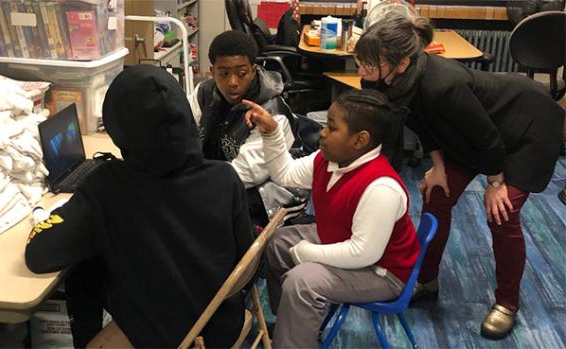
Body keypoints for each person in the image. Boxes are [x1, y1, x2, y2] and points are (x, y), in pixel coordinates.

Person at [354, 9, 565, 338]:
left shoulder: (443, 85)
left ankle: (507, 303)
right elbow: (426, 124)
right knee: (437, 195)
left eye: (369, 64)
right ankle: (427, 280)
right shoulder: (401, 83)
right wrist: (437, 166)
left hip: (525, 125)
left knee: (501, 213)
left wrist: (495, 183)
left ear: (401, 63)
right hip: (476, 138)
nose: (362, 71)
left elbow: (488, 137)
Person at [25, 65, 254, 348]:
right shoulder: (224, 177)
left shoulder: (108, 186)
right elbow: (247, 264)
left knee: (88, 263)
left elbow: (39, 255)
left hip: (161, 337)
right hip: (222, 327)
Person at [242, 89, 420, 348]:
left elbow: (363, 253)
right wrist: (271, 132)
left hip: (382, 272)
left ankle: (293, 338)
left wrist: (307, 253)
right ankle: (294, 324)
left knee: (302, 281)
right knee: (279, 242)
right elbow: (285, 174)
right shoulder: (328, 160)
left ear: (360, 140)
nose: (323, 133)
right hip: (344, 241)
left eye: (332, 128)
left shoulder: (381, 188)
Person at [188, 30, 308, 227]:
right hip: (221, 173)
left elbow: (247, 173)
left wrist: (195, 182)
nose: (232, 82)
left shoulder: (271, 111)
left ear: (253, 70)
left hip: (268, 189)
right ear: (212, 71)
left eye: (241, 73)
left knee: (206, 215)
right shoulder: (204, 92)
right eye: (223, 73)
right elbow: (183, 130)